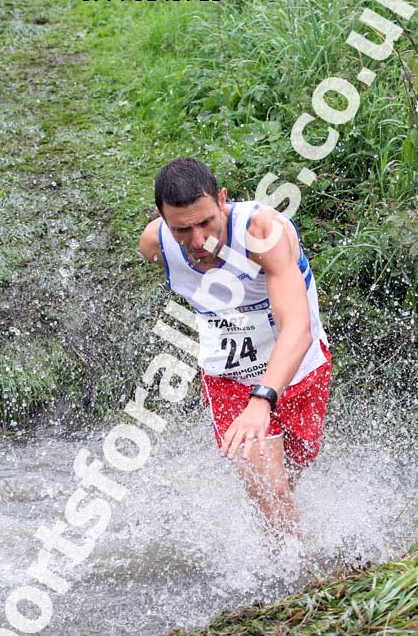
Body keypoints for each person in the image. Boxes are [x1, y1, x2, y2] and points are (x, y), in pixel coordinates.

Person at [139, 157, 332, 539]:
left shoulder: (263, 232)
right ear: (162, 218)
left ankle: (288, 560)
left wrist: (263, 400)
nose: (198, 242)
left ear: (223, 200)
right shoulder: (154, 243)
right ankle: (296, 584)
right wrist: (253, 400)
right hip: (229, 380)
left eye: (206, 222)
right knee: (269, 490)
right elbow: (163, 253)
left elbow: (297, 328)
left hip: (299, 370)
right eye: (182, 229)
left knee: (289, 478)